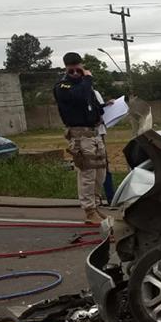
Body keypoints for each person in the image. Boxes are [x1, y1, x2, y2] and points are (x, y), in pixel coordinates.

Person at [53, 52, 108, 223]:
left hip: (94, 134)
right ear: (66, 69)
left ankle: (96, 205)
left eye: (79, 70)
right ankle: (89, 210)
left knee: (100, 173)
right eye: (72, 71)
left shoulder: (86, 87)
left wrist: (105, 106)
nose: (76, 74)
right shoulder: (63, 87)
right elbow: (79, 96)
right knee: (87, 174)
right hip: (80, 136)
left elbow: (92, 106)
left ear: (82, 67)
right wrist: (87, 79)